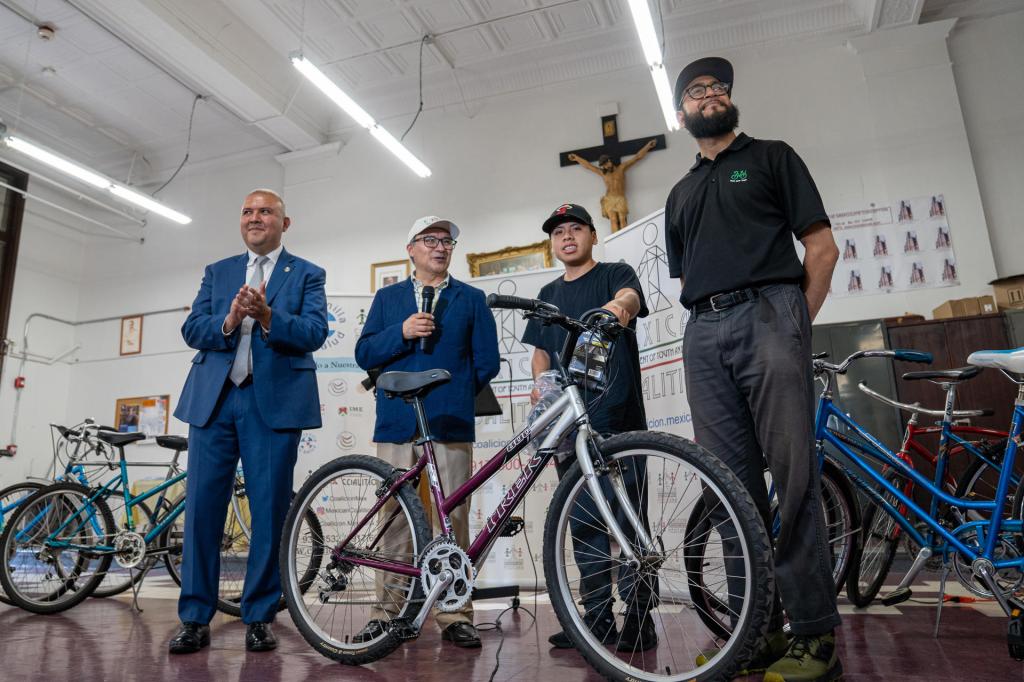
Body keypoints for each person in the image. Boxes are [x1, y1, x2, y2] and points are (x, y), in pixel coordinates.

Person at [665, 57, 842, 682]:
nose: (709, 96)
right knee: (729, 492)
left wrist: (796, 323)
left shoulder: (772, 157)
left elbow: (820, 247)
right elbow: (687, 275)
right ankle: (756, 633)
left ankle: (816, 636)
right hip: (704, 332)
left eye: (717, 88)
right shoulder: (680, 192)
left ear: (729, 100)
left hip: (770, 313)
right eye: (696, 92)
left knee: (793, 480)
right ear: (681, 113)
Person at [170, 189, 328, 654]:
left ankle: (259, 615)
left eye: (266, 211)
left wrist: (267, 317)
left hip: (272, 404)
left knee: (270, 512)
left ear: (285, 222)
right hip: (214, 403)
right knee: (201, 510)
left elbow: (314, 333)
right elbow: (193, 329)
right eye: (247, 211)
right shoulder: (217, 272)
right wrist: (231, 317)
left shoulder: (307, 274)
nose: (255, 217)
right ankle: (195, 617)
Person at [354, 216, 499, 648]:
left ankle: (454, 614)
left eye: (447, 240)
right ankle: (388, 613)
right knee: (395, 517)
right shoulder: (388, 298)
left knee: (452, 519)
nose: (440, 246)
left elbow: (486, 361)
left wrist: (451, 394)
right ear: (411, 249)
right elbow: (365, 353)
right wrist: (401, 332)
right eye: (430, 240)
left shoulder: (471, 298)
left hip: (451, 422)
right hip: (398, 421)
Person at [522, 203, 657, 652]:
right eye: (558, 231)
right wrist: (540, 381)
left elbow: (630, 299)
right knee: (583, 521)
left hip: (620, 420)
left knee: (630, 519)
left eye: (576, 228)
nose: (567, 237)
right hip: (570, 427)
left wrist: (617, 307)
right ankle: (597, 620)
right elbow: (541, 349)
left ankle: (641, 618)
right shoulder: (547, 292)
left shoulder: (614, 273)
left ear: (593, 236)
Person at [568, 139, 657, 232]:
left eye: (606, 163)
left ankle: (625, 237)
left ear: (610, 161)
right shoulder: (603, 173)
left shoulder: (621, 168)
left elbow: (637, 157)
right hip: (609, 199)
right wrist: (577, 158)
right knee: (613, 220)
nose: (605, 166)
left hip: (620, 197)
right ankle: (616, 241)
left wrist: (648, 146)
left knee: (622, 219)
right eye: (603, 165)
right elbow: (588, 166)